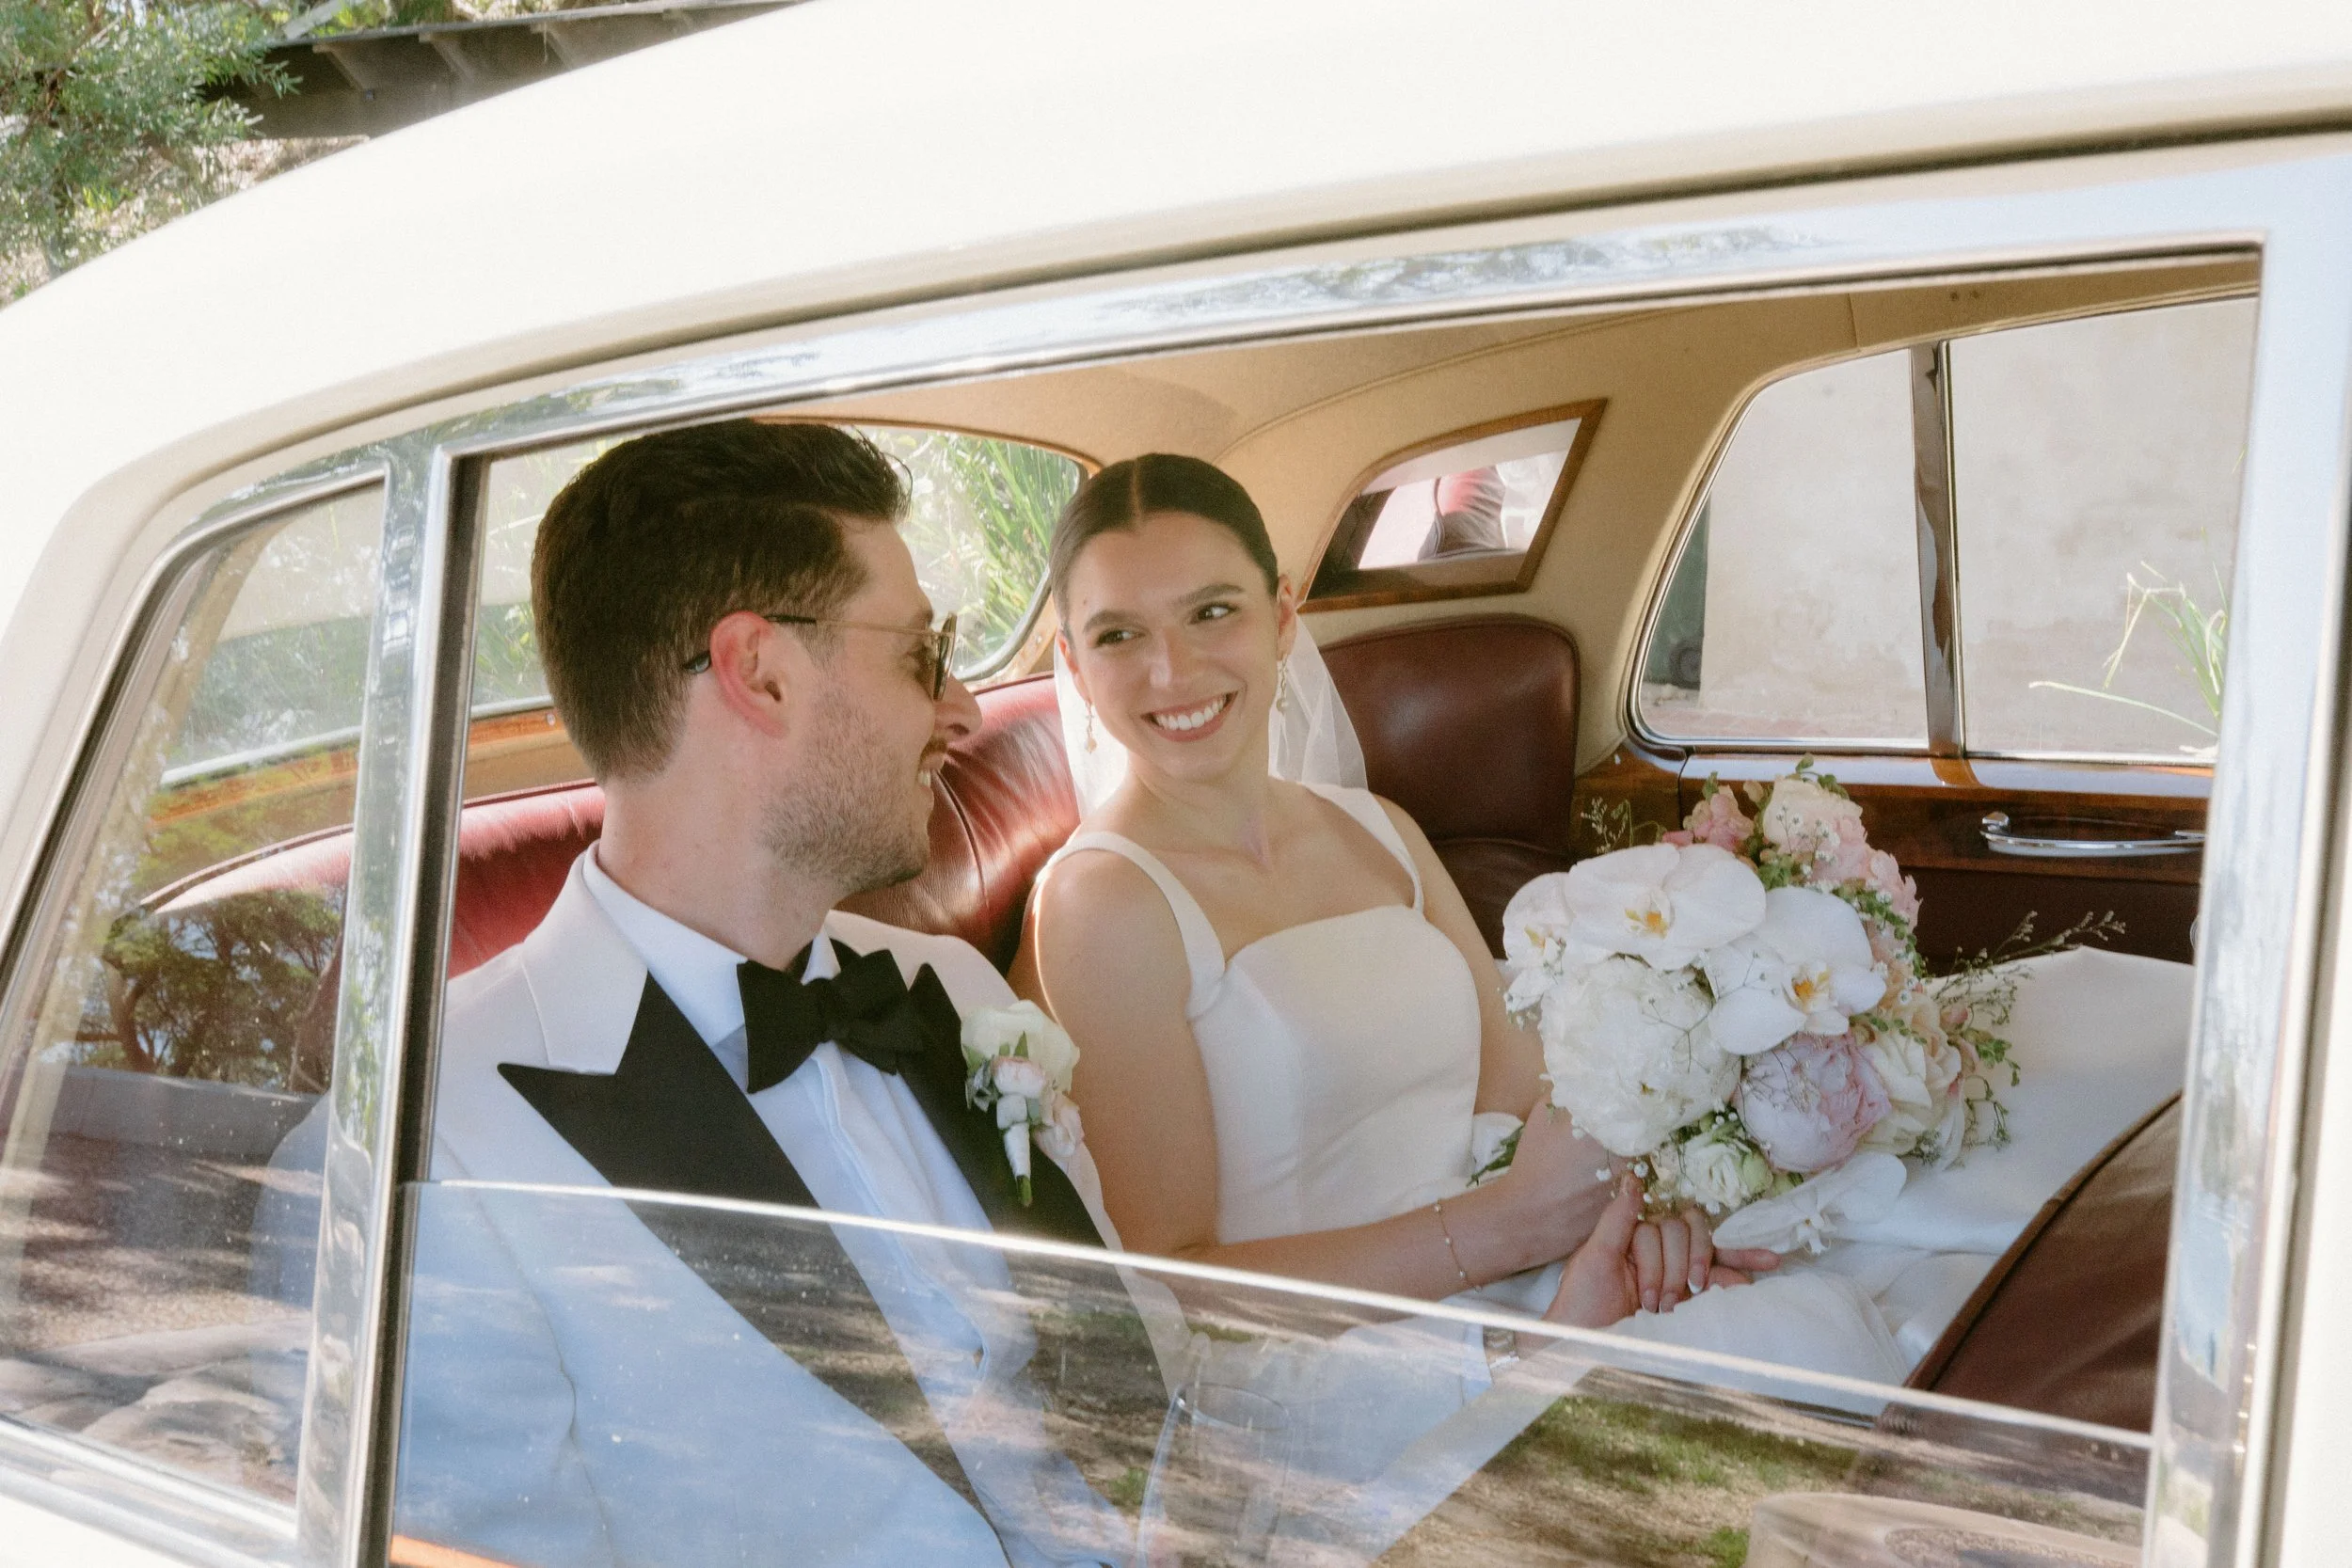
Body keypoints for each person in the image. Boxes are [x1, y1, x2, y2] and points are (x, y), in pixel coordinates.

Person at [1017, 457, 1914, 1448]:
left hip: (1517, 1270)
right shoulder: (1103, 901)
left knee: (1836, 1315)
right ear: (1072, 660)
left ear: (1280, 617)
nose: (1172, 671)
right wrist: (1508, 1231)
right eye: (1119, 634)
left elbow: (1523, 1093)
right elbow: (1175, 1281)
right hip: (1329, 1365)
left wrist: (1630, 1220)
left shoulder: (1381, 830)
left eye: (1211, 612)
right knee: (1801, 1353)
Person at [401, 420, 1148, 1568]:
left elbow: (1133, 1384)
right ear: (759, 671)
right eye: (920, 652)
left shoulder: (945, 990)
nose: (959, 712)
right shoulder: (438, 1149)